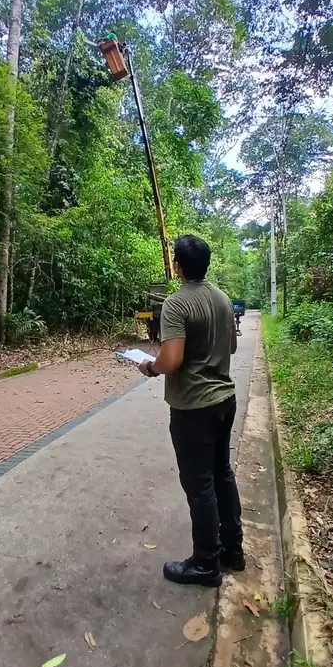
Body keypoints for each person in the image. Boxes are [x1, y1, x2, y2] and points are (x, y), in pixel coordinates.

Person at [138, 234, 244, 588]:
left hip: (193, 408)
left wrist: (150, 367)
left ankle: (205, 564)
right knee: (221, 475)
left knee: (200, 487)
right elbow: (229, 344)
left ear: (178, 266)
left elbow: (172, 359)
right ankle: (233, 549)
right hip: (224, 401)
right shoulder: (223, 298)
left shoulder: (177, 304)